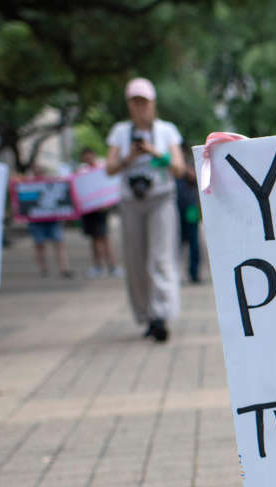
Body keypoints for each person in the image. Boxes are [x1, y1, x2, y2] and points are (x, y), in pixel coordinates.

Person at [106, 77, 185, 343]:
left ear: (152, 103)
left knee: (161, 259)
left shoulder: (167, 131)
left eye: (144, 102)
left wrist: (153, 152)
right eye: (135, 102)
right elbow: (110, 168)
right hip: (131, 201)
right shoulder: (120, 132)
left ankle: (162, 314)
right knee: (135, 261)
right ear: (129, 105)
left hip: (161, 198)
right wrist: (129, 157)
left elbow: (179, 168)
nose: (140, 108)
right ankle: (146, 315)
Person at [77, 147, 120, 278]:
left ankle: (112, 266)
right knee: (94, 239)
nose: (88, 158)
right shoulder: (81, 172)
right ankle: (98, 266)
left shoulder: (102, 168)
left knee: (104, 238)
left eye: (90, 155)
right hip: (89, 211)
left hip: (102, 210)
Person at [176, 150, 202, 283]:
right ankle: (176, 274)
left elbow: (196, 178)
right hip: (175, 210)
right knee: (176, 243)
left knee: (194, 244)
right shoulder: (172, 166)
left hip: (191, 209)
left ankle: (194, 273)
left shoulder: (190, 163)